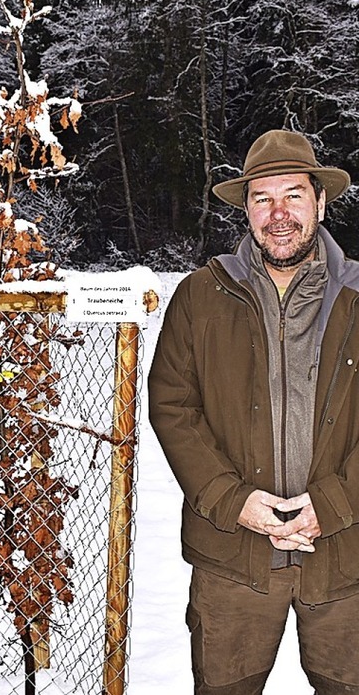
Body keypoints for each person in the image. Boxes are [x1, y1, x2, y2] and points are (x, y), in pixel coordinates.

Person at [148, 129, 359, 694]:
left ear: (320, 199)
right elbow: (172, 405)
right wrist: (231, 501)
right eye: (263, 198)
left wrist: (335, 504)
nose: (279, 214)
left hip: (348, 556)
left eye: (293, 195)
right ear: (245, 209)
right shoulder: (200, 295)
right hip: (232, 556)